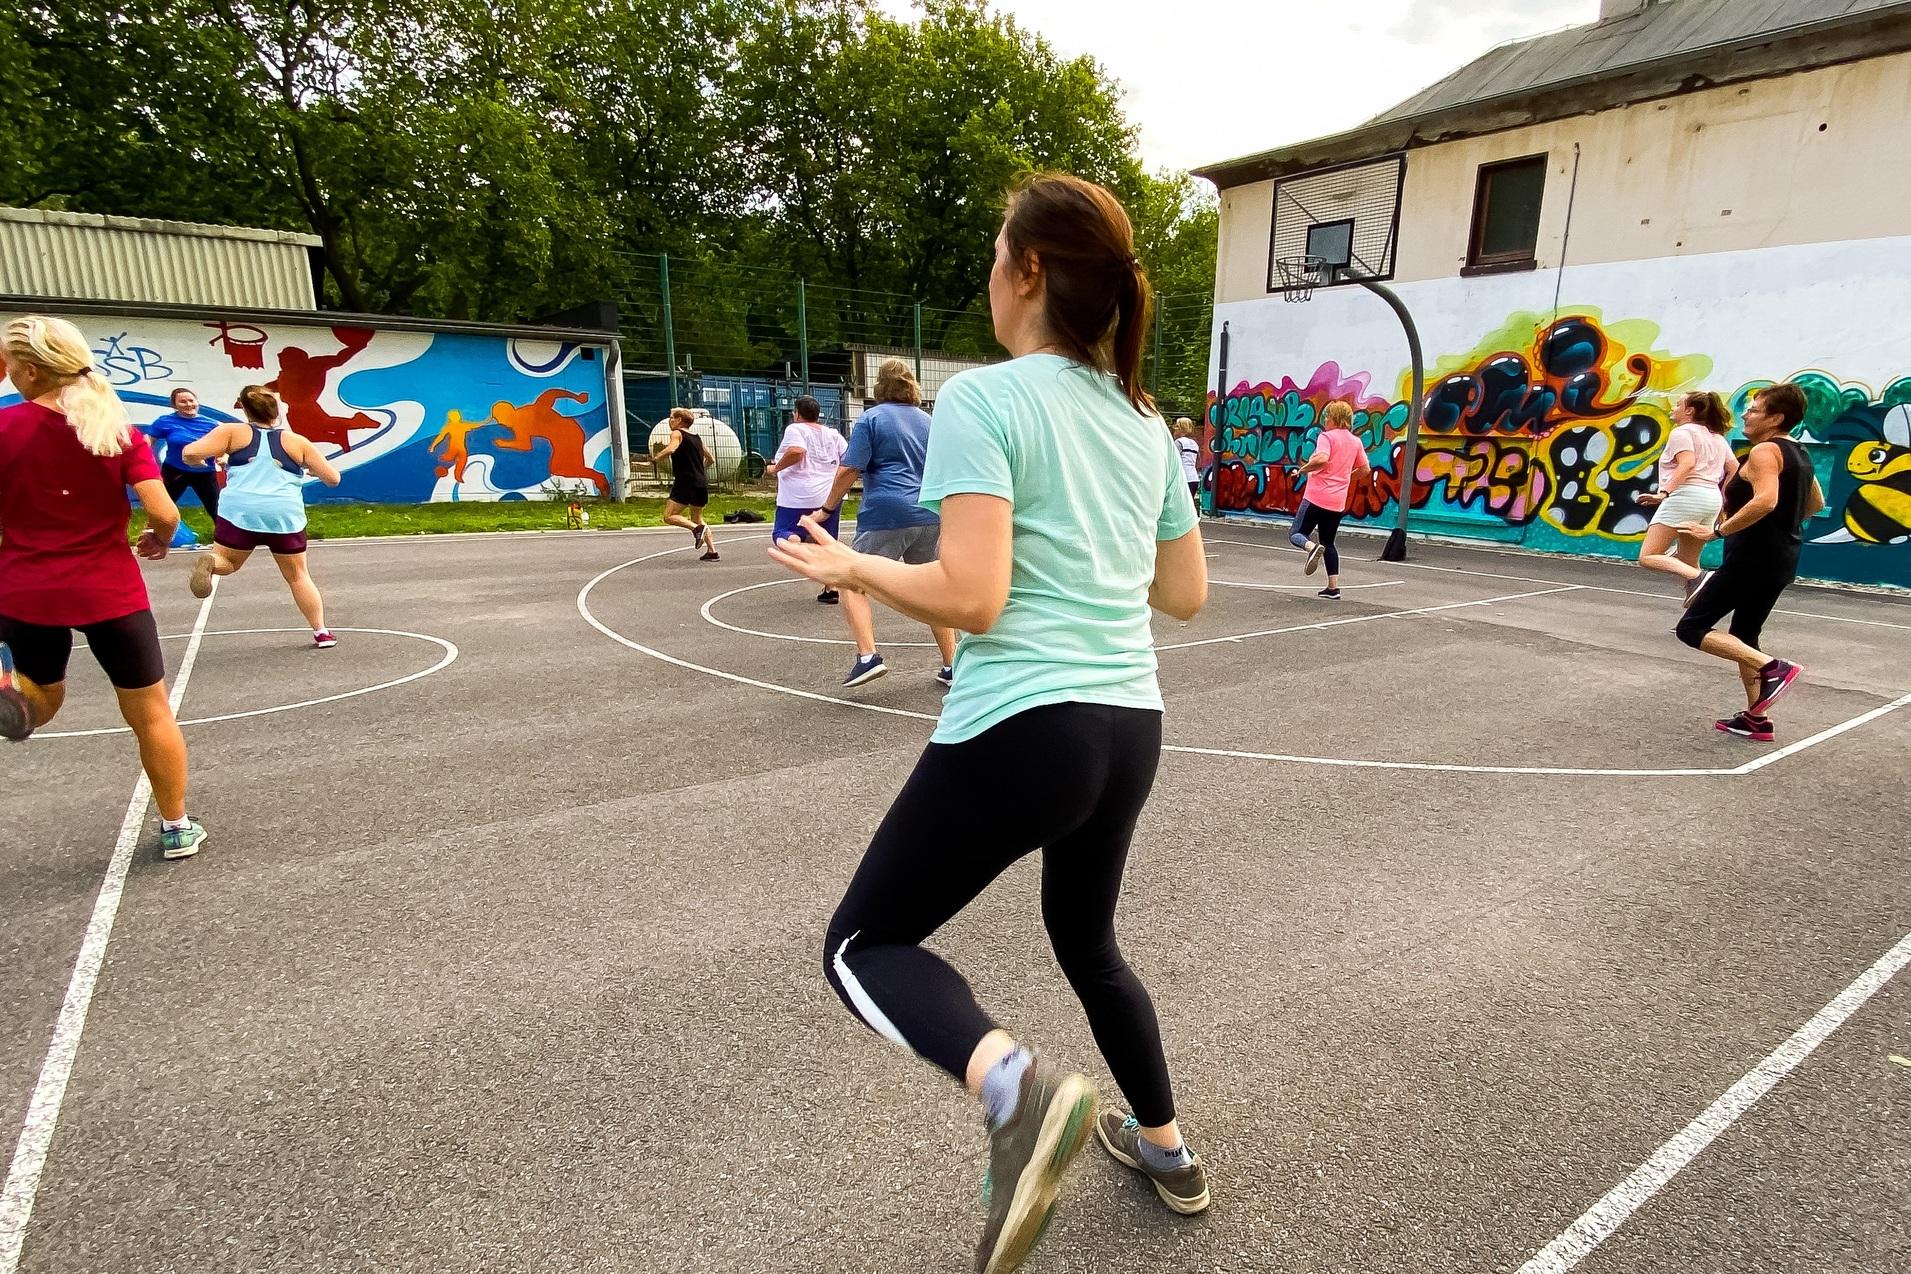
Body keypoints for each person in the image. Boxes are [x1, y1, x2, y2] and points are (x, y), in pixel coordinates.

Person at [768, 172, 1211, 1274]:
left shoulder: (987, 397)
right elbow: (1187, 593)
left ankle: (1022, 1093)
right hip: (1130, 726)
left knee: (864, 943)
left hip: (1029, 723)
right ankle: (1167, 1147)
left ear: (1026, 272)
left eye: (990, 255)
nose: (985, 275)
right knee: (1088, 937)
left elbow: (975, 597)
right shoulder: (1144, 418)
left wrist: (851, 560)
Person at [0, 315, 207, 860]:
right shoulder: (116, 431)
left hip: (26, 589)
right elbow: (163, 512)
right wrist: (159, 539)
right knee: (150, 712)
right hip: (108, 590)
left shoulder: (4, 430)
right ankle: (177, 826)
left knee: (39, 700)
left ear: (25, 369)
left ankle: (7, 689)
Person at [1673, 383, 1824, 742]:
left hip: (1752, 558)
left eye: (1755, 409)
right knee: (1744, 635)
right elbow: (1814, 502)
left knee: (1691, 629)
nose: (1745, 413)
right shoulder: (1798, 453)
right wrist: (1780, 528)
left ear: (1776, 418)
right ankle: (1757, 718)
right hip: (1781, 558)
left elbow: (1766, 500)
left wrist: (1718, 532)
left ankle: (1774, 667)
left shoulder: (1765, 452)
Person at [817, 359, 956, 687]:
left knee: (851, 579)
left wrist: (826, 508)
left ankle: (868, 657)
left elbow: (849, 469)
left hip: (887, 513)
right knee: (933, 589)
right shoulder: (930, 421)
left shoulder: (872, 418)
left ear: (879, 386)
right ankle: (953, 665)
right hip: (929, 512)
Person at [181, 386, 342, 648]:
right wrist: (307, 470)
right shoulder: (295, 440)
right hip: (282, 514)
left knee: (228, 563)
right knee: (298, 576)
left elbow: (189, 453)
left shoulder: (232, 432)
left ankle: (211, 561)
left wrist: (209, 460)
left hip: (240, 511)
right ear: (276, 412)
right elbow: (333, 479)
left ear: (244, 410)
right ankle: (321, 632)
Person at [1638, 392, 1737, 585]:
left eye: (1677, 405)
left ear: (1689, 411)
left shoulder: (1682, 432)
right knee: (1688, 561)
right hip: (1711, 498)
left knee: (1648, 556)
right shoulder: (1717, 437)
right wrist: (1723, 500)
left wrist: (1663, 493)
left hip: (1686, 495)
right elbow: (1733, 468)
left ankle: (1702, 578)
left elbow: (1687, 463)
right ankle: (1701, 601)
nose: (1673, 408)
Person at [763, 394, 848, 603]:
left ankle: (798, 547)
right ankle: (831, 587)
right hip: (828, 495)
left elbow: (797, 451)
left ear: (797, 414)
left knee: (783, 533)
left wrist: (775, 468)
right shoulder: (832, 434)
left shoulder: (796, 429)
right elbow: (848, 457)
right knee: (825, 539)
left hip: (798, 495)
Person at [1289, 400, 1370, 599]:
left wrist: (1303, 469)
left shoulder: (1326, 437)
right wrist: (1346, 476)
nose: (1325, 420)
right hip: (1337, 501)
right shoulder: (1355, 442)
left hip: (1316, 496)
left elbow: (1322, 459)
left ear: (1334, 418)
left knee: (1296, 533)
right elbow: (1365, 469)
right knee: (1329, 542)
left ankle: (1311, 547)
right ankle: (1333, 587)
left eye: (1327, 416)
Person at [145, 386, 224, 521]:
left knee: (217, 510)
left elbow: (224, 447)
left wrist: (223, 457)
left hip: (204, 473)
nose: (188, 404)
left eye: (191, 400)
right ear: (174, 405)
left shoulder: (212, 424)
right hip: (175, 471)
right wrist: (143, 460)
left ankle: (226, 538)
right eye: (183, 401)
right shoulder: (164, 421)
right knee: (162, 508)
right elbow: (147, 442)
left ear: (197, 402)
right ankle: (152, 537)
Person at [654, 407, 720, 562]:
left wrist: (657, 457)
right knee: (697, 517)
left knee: (669, 516)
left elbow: (672, 448)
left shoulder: (677, 433)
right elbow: (711, 459)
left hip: (685, 481)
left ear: (679, 420)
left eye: (672, 418)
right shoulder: (697, 438)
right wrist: (698, 469)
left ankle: (696, 529)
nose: (670, 421)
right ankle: (712, 551)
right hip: (700, 482)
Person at [1172, 417, 1201, 506]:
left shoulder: (1179, 442)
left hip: (1182, 478)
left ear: (1181, 429)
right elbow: (1197, 462)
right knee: (1189, 506)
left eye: (1176, 427)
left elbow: (1174, 461)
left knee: (1179, 506)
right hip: (1194, 478)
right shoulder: (1194, 443)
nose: (1174, 429)